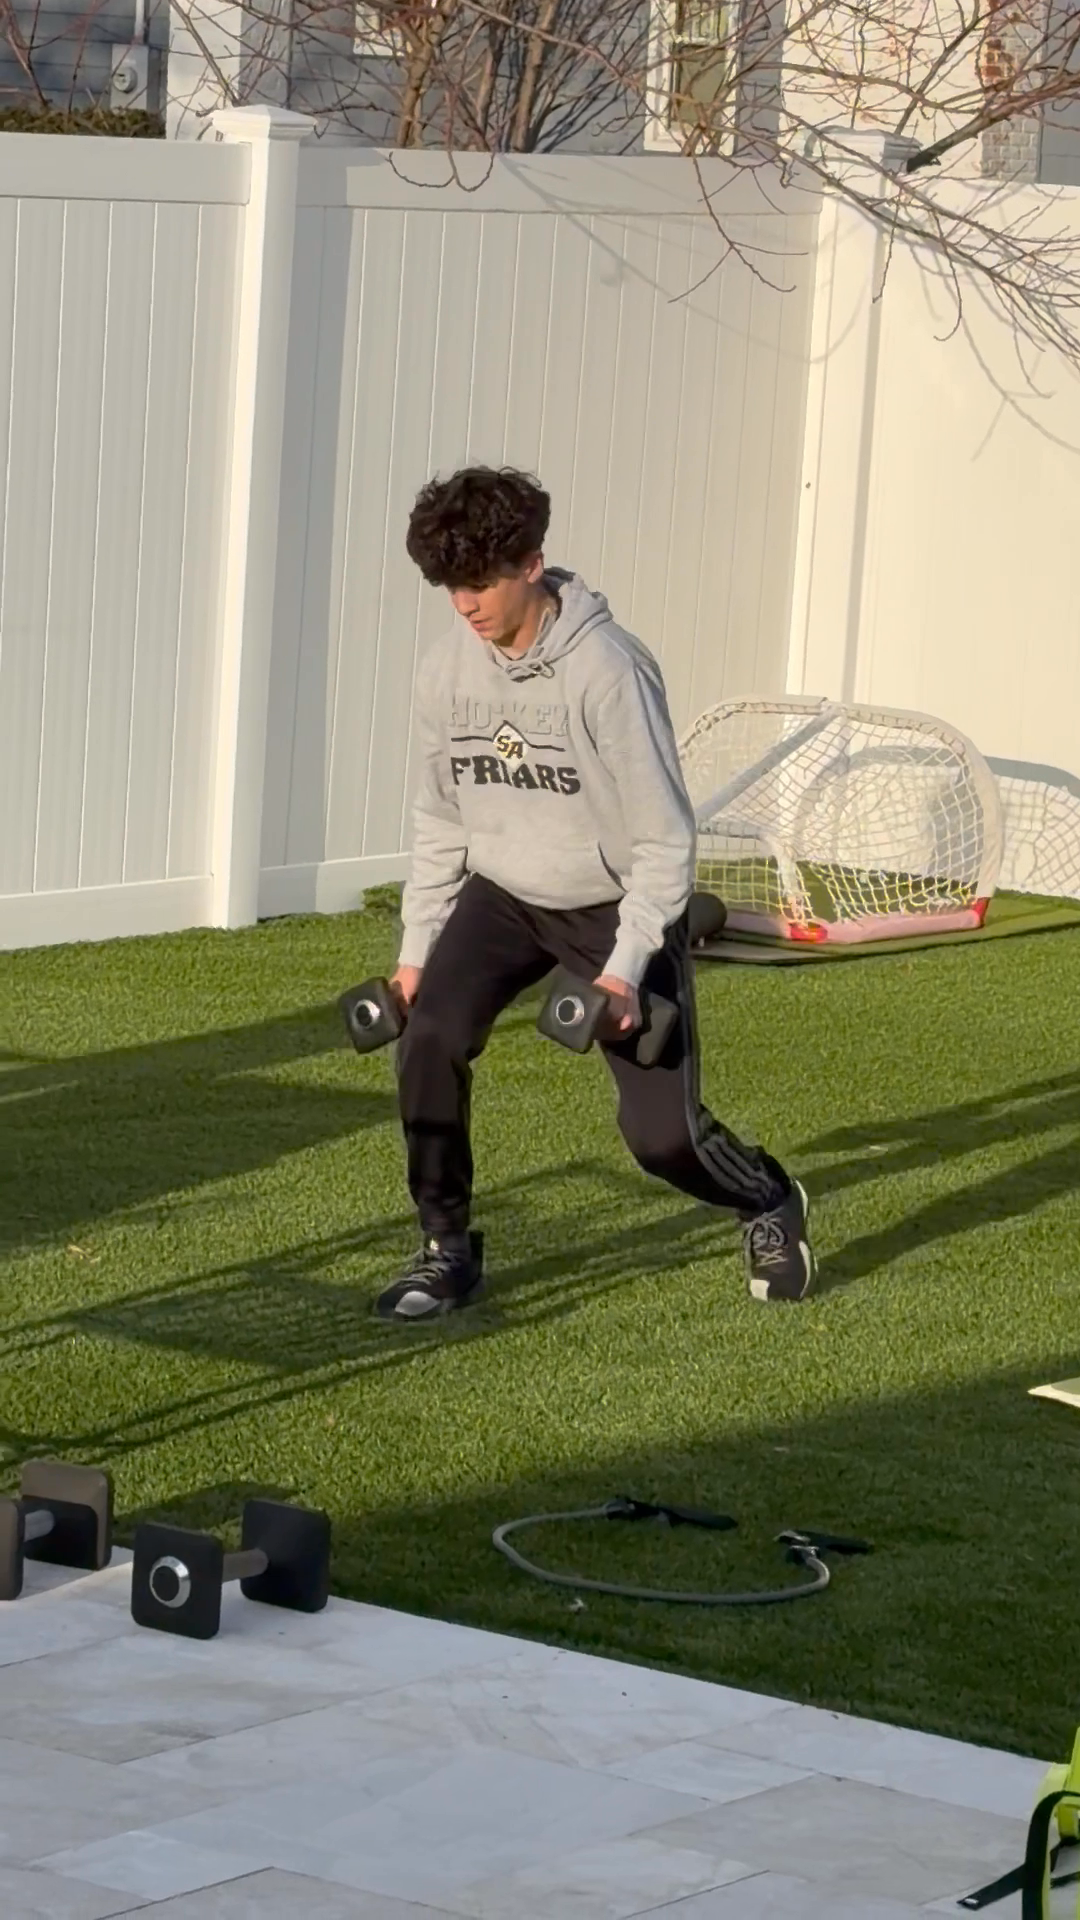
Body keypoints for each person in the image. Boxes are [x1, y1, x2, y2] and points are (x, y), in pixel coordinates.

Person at [375, 465, 816, 1323]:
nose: (465, 606)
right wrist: (413, 955)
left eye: (480, 583)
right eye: (450, 588)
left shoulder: (610, 672)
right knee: (426, 1042)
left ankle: (766, 1198)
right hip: (503, 896)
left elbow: (664, 842)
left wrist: (621, 971)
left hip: (613, 905)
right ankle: (447, 1250)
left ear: (532, 562)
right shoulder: (444, 673)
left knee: (662, 1141)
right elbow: (440, 822)